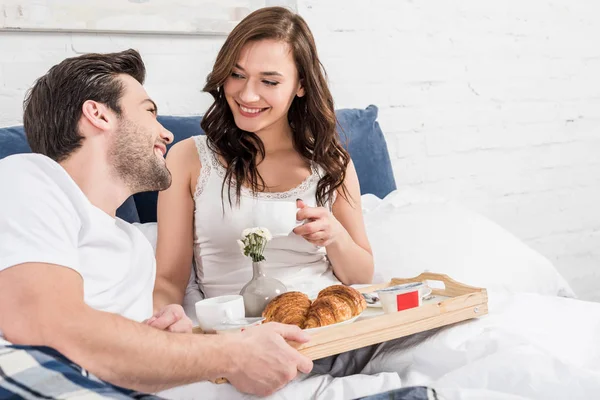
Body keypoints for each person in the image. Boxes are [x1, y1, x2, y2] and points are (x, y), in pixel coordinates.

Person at [0, 49, 313, 398]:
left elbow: (122, 361)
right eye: (149, 111)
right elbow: (42, 325)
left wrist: (167, 346)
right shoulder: (28, 176)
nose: (166, 133)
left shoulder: (132, 245)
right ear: (98, 114)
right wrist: (231, 354)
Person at [153, 6, 374, 318]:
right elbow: (167, 281)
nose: (248, 95)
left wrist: (335, 235)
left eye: (269, 81)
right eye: (237, 75)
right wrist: (163, 331)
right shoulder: (189, 159)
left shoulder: (332, 163)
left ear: (301, 85)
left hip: (329, 328)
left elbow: (361, 276)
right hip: (243, 340)